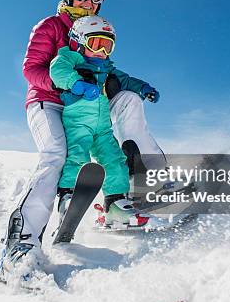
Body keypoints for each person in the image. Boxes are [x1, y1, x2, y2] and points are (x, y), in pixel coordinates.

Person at [0, 0, 165, 273]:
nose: (88, 0)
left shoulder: (98, 31)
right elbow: (32, 69)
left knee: (128, 99)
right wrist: (69, 84)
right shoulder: (50, 26)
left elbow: (114, 74)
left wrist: (129, 85)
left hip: (92, 105)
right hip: (49, 101)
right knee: (56, 154)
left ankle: (144, 184)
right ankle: (20, 242)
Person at [51, 15, 157, 227]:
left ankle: (116, 204)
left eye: (107, 46)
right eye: (96, 44)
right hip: (78, 121)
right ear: (78, 41)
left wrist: (144, 88)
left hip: (102, 126)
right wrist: (76, 83)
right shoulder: (70, 58)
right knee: (77, 156)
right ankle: (68, 196)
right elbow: (57, 70)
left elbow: (127, 80)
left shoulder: (107, 68)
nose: (102, 52)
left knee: (115, 160)